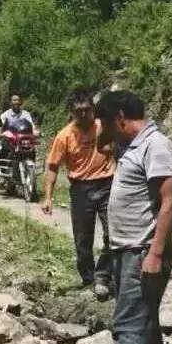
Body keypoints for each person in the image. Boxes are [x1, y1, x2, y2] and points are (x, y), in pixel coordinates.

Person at [81, 91, 172, 344]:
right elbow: (103, 147)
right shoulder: (132, 147)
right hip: (128, 250)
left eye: (106, 122)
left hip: (143, 252)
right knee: (145, 328)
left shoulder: (156, 146)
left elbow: (169, 203)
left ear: (120, 117)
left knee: (128, 328)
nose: (101, 130)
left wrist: (154, 254)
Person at [41, 88, 116, 300]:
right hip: (81, 189)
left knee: (113, 233)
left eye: (87, 110)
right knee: (83, 239)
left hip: (107, 185)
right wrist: (48, 197)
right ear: (72, 112)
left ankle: (103, 276)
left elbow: (121, 147)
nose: (84, 115)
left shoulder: (104, 127)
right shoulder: (64, 136)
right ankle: (89, 279)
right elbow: (53, 167)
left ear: (94, 109)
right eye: (79, 111)